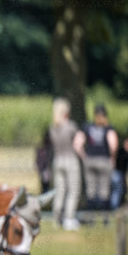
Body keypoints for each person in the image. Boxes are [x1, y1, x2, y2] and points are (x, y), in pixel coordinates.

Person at [74, 103, 119, 221]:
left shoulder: (88, 127)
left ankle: (90, 219)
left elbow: (77, 144)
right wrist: (112, 157)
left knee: (91, 191)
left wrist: (84, 156)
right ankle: (105, 219)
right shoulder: (108, 128)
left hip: (91, 160)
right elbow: (113, 145)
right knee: (104, 191)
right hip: (104, 160)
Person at [48, 98, 81, 230]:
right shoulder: (71, 126)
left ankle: (56, 219)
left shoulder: (52, 127)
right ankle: (69, 218)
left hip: (58, 160)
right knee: (73, 191)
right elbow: (78, 144)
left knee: (60, 191)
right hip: (70, 159)